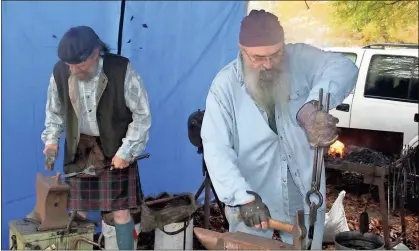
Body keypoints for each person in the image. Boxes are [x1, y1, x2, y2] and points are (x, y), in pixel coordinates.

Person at [201, 9, 358, 249]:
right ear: (241, 50)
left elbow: (345, 67)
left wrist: (312, 106)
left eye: (275, 55)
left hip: (302, 197)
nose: (267, 65)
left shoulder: (300, 59)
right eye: (257, 58)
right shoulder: (224, 87)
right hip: (253, 202)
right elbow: (216, 148)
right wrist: (242, 198)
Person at [40, 26, 151, 250]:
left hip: (115, 147)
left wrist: (126, 152)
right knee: (77, 212)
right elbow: (55, 112)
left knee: (120, 211)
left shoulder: (121, 69)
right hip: (79, 148)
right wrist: (51, 140)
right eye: (69, 64)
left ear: (95, 53)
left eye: (78, 65)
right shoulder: (61, 71)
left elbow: (142, 116)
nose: (73, 69)